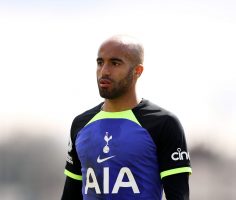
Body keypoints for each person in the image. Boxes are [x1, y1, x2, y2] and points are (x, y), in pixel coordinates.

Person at [61, 35, 192, 200]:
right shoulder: (80, 124)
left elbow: (178, 195)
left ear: (138, 71)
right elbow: (70, 195)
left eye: (115, 63)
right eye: (100, 63)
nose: (104, 71)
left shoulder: (163, 123)